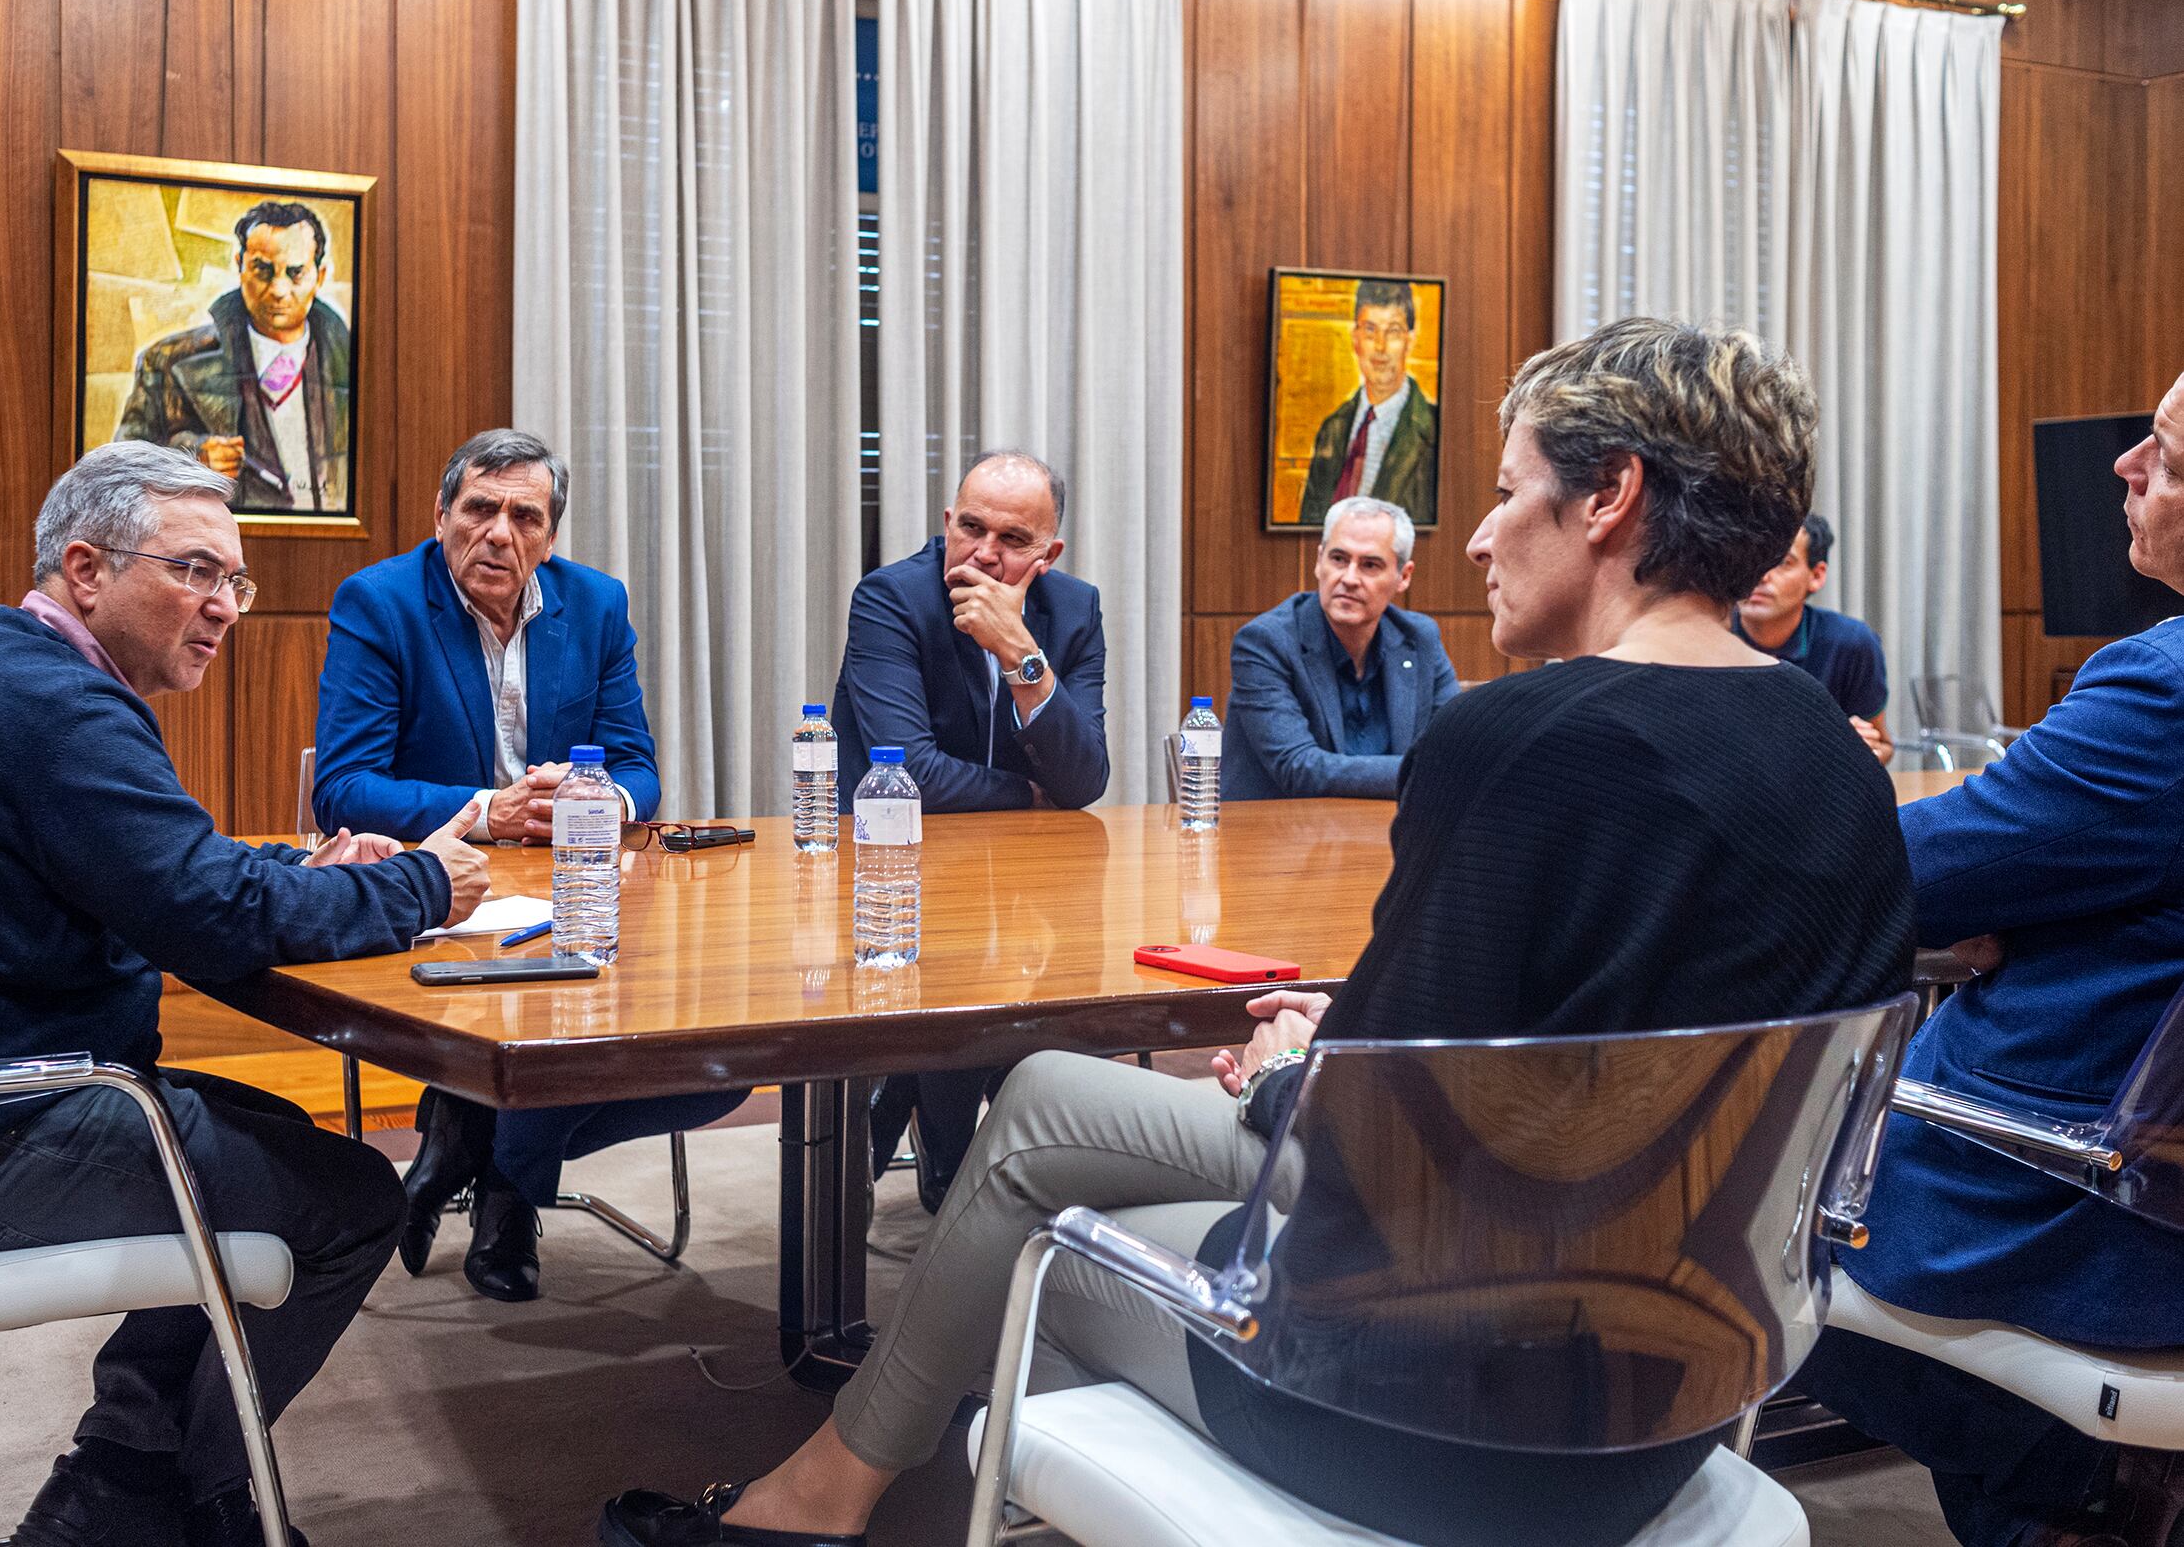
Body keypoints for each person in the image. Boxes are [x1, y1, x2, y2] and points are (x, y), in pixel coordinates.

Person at [599, 319, 1916, 1547]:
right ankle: (831, 1493)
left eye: (1507, 492)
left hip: (1419, 1408)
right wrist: (1339, 1057)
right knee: (1060, 1109)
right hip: (1666, 1403)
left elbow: (1365, 1149)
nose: (1475, 539)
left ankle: (819, 1501)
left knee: (1021, 1224)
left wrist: (1295, 1064)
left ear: (1609, 495)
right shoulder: (1840, 756)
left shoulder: (1516, 743)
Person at [0, 442, 488, 1547]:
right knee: (351, 1201)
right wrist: (425, 881)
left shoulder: (21, 674)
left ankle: (125, 1469)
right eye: (195, 573)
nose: (225, 606)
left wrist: (304, 872)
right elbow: (207, 918)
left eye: (235, 580)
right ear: (85, 569)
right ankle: (183, 1498)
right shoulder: (57, 709)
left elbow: (167, 867)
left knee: (272, 1139)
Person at [1796, 367, 2184, 1547]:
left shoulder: (2161, 692)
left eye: (2164, 456)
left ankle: (2077, 1496)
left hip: (2059, 1208)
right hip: (2138, 1181)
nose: (2122, 467)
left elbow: (1882, 873)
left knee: (1676, 1205)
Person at [314, 428, 747, 1303]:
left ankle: (466, 1135)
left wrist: (596, 800)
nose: (499, 533)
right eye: (479, 509)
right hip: (443, 891)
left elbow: (637, 770)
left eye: (524, 516)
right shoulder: (380, 602)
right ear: (441, 516)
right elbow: (343, 787)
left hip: (573, 889)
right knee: (551, 1027)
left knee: (717, 1076)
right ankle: (511, 1192)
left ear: (550, 535)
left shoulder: (595, 605)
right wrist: (486, 809)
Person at [830, 449, 1109, 1212]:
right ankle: (942, 1151)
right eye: (972, 528)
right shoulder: (892, 598)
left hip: (1021, 891)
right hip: (891, 874)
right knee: (968, 990)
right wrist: (1029, 792)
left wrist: (1020, 654)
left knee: (1069, 1000)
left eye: (1013, 541)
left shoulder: (1073, 611)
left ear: (1048, 556)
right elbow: (907, 771)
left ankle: (933, 1123)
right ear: (946, 522)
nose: (984, 553)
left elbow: (1085, 780)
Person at [116, 201, 351, 513]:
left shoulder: (358, 365)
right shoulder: (167, 362)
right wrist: (190, 459)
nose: (279, 289)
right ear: (240, 265)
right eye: (263, 270)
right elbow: (117, 471)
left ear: (319, 276)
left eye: (296, 273)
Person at [1222, 494, 1459, 800]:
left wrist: (1438, 769)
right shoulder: (1265, 643)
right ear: (1319, 561)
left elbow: (1454, 750)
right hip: (1276, 836)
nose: (1349, 578)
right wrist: (1424, 771)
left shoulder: (1418, 639)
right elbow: (1299, 768)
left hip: (1386, 834)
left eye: (1370, 565)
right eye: (1338, 559)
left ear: (1403, 576)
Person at [1733, 513, 1893, 761]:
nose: (1761, 574)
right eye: (1750, 556)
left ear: (1816, 575)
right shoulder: (1705, 635)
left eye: (1781, 562)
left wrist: (1859, 747)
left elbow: (1883, 746)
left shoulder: (1850, 643)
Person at [1295, 278, 1439, 528]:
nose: (1380, 347)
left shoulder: (1434, 430)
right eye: (1370, 330)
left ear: (1410, 340)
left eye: (1393, 331)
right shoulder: (1333, 428)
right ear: (1355, 338)